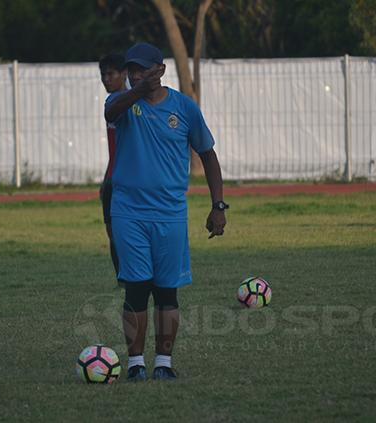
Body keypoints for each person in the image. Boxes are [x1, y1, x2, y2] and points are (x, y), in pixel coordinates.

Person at [104, 42, 228, 381]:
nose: (134, 74)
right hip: (129, 212)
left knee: (166, 291)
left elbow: (208, 154)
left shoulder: (185, 108)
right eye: (131, 69)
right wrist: (138, 89)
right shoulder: (123, 103)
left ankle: (162, 364)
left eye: (142, 69)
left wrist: (218, 205)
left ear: (160, 69)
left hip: (171, 214)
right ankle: (134, 366)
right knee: (136, 289)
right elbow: (110, 113)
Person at [98, 53, 128, 276]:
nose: (106, 79)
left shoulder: (130, 102)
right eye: (103, 75)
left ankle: (131, 276)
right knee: (113, 233)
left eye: (111, 74)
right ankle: (123, 277)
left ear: (124, 74)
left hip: (127, 180)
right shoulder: (113, 102)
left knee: (125, 232)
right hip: (112, 178)